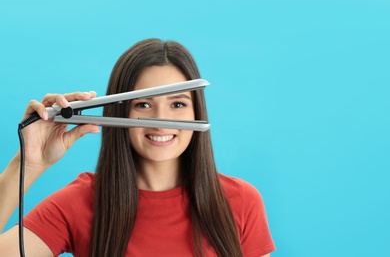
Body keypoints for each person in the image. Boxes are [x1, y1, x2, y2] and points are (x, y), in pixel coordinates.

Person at [0, 38, 275, 257]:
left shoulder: (240, 202)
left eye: (177, 104)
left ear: (196, 111)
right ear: (120, 112)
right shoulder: (81, 202)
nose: (160, 121)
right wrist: (28, 162)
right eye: (143, 104)